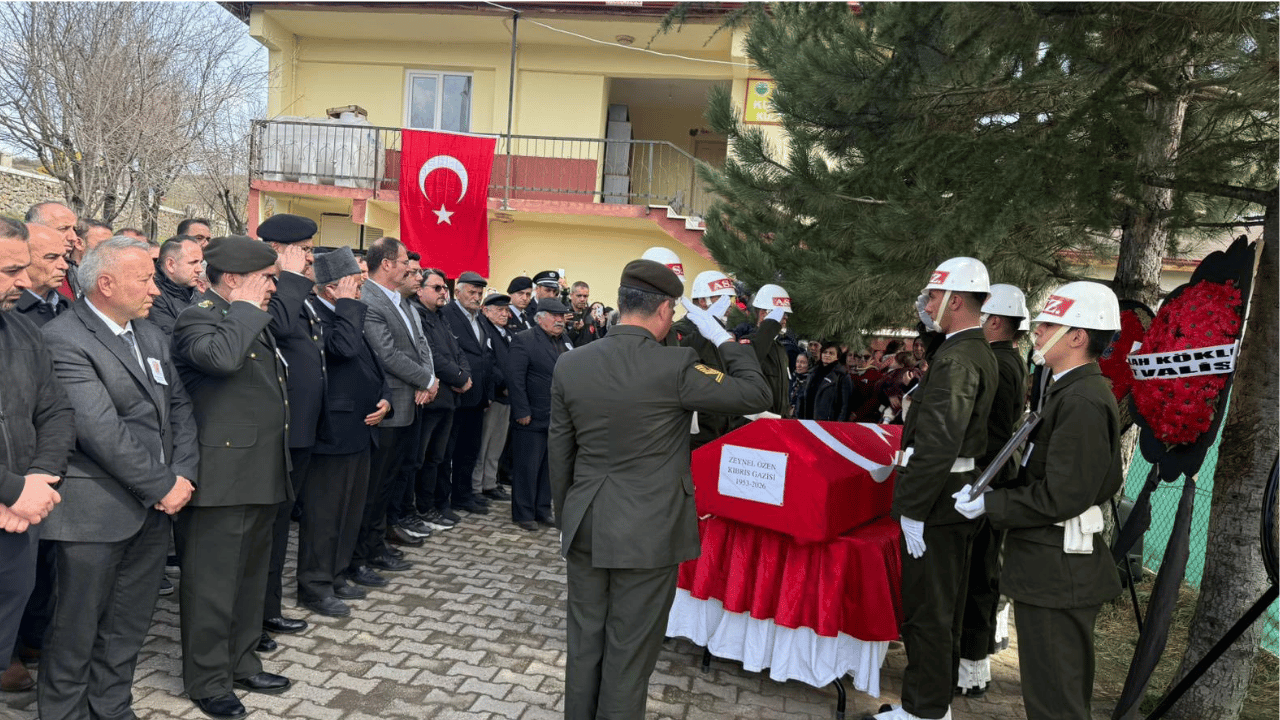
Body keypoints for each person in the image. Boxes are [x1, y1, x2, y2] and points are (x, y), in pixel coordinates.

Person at [549, 259, 770, 720]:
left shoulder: (571, 363)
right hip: (648, 531)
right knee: (629, 653)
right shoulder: (676, 364)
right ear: (667, 309)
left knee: (585, 643)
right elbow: (756, 395)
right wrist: (725, 339)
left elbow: (561, 456)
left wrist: (567, 516)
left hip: (586, 520)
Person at [37, 237, 199, 720]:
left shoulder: (148, 333)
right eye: (145, 278)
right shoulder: (64, 338)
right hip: (94, 517)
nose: (155, 288)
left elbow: (180, 408)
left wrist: (184, 473)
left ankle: (112, 707)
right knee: (75, 629)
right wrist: (163, 485)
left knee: (128, 624)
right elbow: (99, 431)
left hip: (154, 509)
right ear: (105, 284)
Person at [953, 281, 1123, 720]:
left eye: (1048, 324)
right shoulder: (1067, 390)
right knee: (1047, 695)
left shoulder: (1083, 399)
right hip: (1047, 567)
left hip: (1058, 572)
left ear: (1078, 336)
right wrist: (998, 491)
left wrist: (992, 506)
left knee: (1055, 703)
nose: (1036, 332)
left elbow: (1063, 495)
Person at [172, 235, 298, 718]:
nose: (273, 287)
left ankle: (241, 660)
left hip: (259, 471)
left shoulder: (245, 315)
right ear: (232, 279)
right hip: (221, 477)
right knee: (211, 584)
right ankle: (206, 679)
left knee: (249, 579)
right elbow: (220, 360)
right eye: (267, 278)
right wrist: (245, 307)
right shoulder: (197, 316)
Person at [877, 257, 998, 720]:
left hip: (937, 500)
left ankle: (923, 711)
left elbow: (939, 441)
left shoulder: (961, 357)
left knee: (928, 612)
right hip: (949, 497)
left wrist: (911, 507)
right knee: (939, 609)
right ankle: (931, 707)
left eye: (933, 296)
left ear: (956, 300)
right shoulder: (965, 350)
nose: (927, 305)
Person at [0, 217, 75, 695]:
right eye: (10, 271)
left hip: (19, 518)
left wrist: (39, 479)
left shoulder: (22, 332)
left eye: (24, 268)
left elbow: (55, 410)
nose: (24, 282)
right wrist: (12, 490)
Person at [298, 248, 391, 618]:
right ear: (333, 288)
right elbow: (344, 349)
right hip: (332, 432)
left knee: (349, 511)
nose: (363, 285)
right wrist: (349, 304)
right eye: (356, 281)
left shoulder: (347, 311)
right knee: (324, 514)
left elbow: (370, 364)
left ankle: (335, 575)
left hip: (360, 430)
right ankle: (314, 585)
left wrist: (385, 399)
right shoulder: (317, 314)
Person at [956, 284, 1031, 697]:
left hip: (985, 478)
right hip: (996, 475)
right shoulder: (1010, 360)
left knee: (976, 575)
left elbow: (989, 431)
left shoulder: (997, 363)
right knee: (982, 572)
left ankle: (970, 663)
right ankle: (974, 659)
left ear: (996, 321)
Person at [354, 237, 436, 586]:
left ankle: (378, 544)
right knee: (373, 489)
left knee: (388, 485)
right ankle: (364, 552)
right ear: (386, 263)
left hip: (408, 405)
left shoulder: (401, 301)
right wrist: (426, 379)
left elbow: (419, 345)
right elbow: (386, 354)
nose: (409, 267)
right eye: (404, 261)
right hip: (387, 408)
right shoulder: (369, 300)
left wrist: (428, 379)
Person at [257, 214, 320, 645]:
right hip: (274, 432)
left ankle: (269, 610)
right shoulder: (268, 285)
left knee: (279, 530)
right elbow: (278, 326)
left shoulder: (296, 288)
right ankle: (258, 614)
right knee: (268, 532)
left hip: (298, 429)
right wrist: (291, 274)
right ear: (281, 250)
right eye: (305, 249)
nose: (311, 256)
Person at [404, 268, 469, 535]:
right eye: (437, 288)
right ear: (420, 291)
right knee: (420, 459)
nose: (444, 292)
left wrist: (465, 375)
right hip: (430, 400)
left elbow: (458, 351)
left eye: (445, 288)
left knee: (438, 458)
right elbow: (431, 356)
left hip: (448, 399)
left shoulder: (441, 317)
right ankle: (417, 509)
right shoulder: (417, 315)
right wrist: (457, 376)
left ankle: (431, 506)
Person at [507, 297, 574, 531]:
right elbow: (515, 379)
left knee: (549, 468)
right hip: (531, 416)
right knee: (527, 466)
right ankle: (523, 513)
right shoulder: (523, 340)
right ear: (540, 317)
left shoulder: (565, 340)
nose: (560, 320)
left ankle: (542, 509)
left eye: (562, 316)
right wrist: (522, 410)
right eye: (555, 316)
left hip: (556, 417)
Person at [442, 271, 495, 516]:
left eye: (479, 293)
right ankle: (445, 499)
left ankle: (464, 495)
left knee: (470, 449)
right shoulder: (447, 315)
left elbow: (485, 355)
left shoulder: (480, 318)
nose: (476, 297)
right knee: (448, 451)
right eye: (471, 292)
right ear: (458, 292)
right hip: (457, 392)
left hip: (477, 395)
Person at [673, 269, 746, 448]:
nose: (729, 305)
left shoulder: (720, 333)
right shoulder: (682, 331)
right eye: (721, 298)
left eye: (730, 299)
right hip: (694, 438)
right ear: (702, 301)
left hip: (722, 431)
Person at [473, 293, 513, 503]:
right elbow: (490, 363)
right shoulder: (484, 329)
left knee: (497, 443)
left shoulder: (505, 333)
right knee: (484, 442)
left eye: (506, 310)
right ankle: (477, 485)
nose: (504, 314)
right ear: (486, 310)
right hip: (494, 395)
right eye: (499, 310)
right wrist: (504, 384)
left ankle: (490, 482)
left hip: (506, 397)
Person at [733, 283, 792, 417]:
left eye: (786, 314)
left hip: (778, 421)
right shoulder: (748, 342)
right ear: (763, 313)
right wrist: (769, 326)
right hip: (756, 422)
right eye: (781, 314)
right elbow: (754, 358)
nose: (785, 318)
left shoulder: (780, 348)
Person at [14, 224, 71, 326]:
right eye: (51, 257)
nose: (64, 266)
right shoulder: (6, 313)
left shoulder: (68, 306)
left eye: (64, 257)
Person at [149, 235, 205, 335]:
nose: (199, 269)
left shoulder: (193, 291)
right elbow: (177, 342)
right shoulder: (152, 297)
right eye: (193, 262)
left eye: (200, 262)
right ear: (170, 265)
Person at [23, 202, 78, 299]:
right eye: (63, 229)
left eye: (75, 229)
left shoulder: (74, 271)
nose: (73, 237)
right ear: (35, 228)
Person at [798, 341, 852, 422]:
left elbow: (845, 406)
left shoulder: (842, 376)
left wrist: (838, 425)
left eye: (831, 353)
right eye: (825, 352)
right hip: (808, 421)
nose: (827, 355)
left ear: (837, 357)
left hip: (829, 424)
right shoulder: (813, 372)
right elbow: (802, 396)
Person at [566, 281, 605, 347]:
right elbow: (562, 341)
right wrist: (575, 331)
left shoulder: (589, 314)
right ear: (571, 295)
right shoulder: (564, 313)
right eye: (579, 296)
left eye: (585, 296)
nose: (582, 299)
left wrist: (601, 326)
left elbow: (597, 340)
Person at [790, 352, 811, 417]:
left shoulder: (810, 382)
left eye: (803, 362)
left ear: (809, 365)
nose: (799, 365)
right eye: (797, 362)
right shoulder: (791, 378)